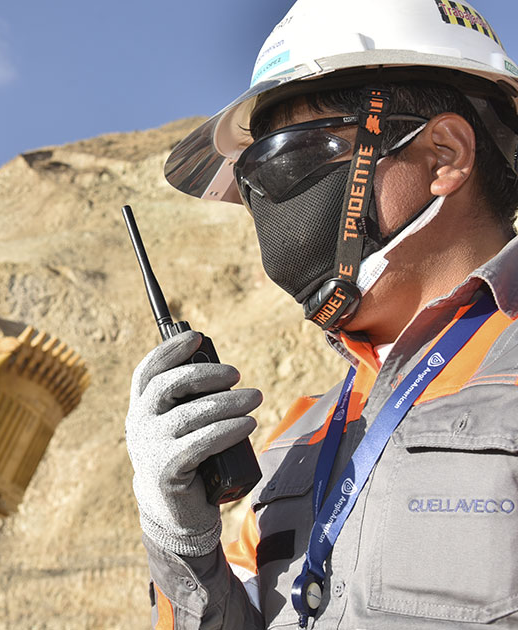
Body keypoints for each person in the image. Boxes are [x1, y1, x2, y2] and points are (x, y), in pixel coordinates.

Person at [125, 0, 518, 628]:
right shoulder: (297, 437)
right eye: (254, 181)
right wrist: (183, 543)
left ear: (443, 155)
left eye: (291, 161)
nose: (274, 210)